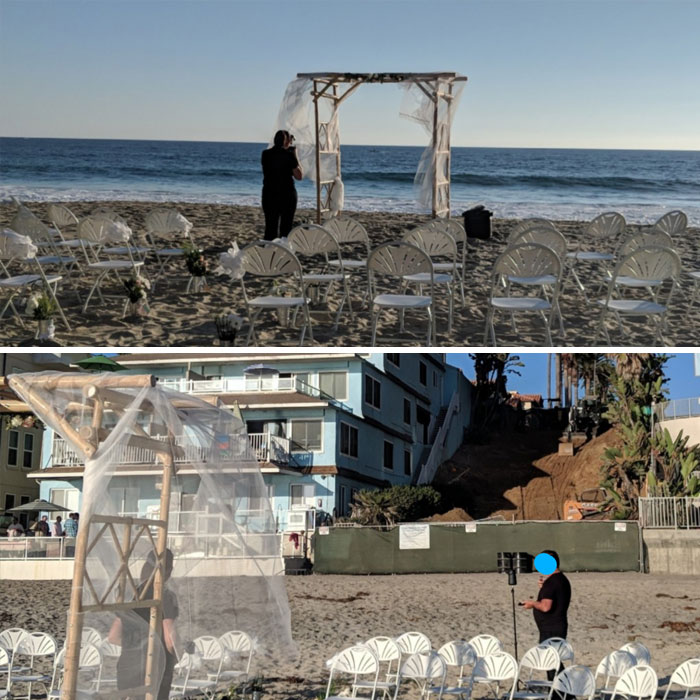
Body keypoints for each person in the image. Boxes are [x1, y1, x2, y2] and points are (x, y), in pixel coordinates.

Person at [108, 549, 179, 700]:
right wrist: (179, 654)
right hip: (155, 666)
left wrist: (134, 646)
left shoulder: (132, 594)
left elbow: (113, 636)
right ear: (169, 570)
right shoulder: (165, 596)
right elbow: (170, 640)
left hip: (127, 665)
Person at [521, 550, 571, 679]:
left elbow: (545, 607)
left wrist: (532, 604)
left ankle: (563, 691)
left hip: (551, 629)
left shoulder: (552, 582)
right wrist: (543, 589)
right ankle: (562, 691)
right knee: (553, 661)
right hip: (556, 626)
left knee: (551, 662)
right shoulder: (561, 579)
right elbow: (554, 597)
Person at [261, 130, 302, 240]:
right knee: (286, 228)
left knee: (270, 227)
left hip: (269, 194)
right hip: (287, 194)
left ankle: (269, 252)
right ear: (287, 141)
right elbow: (299, 176)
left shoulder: (265, 154)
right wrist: (295, 155)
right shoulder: (289, 155)